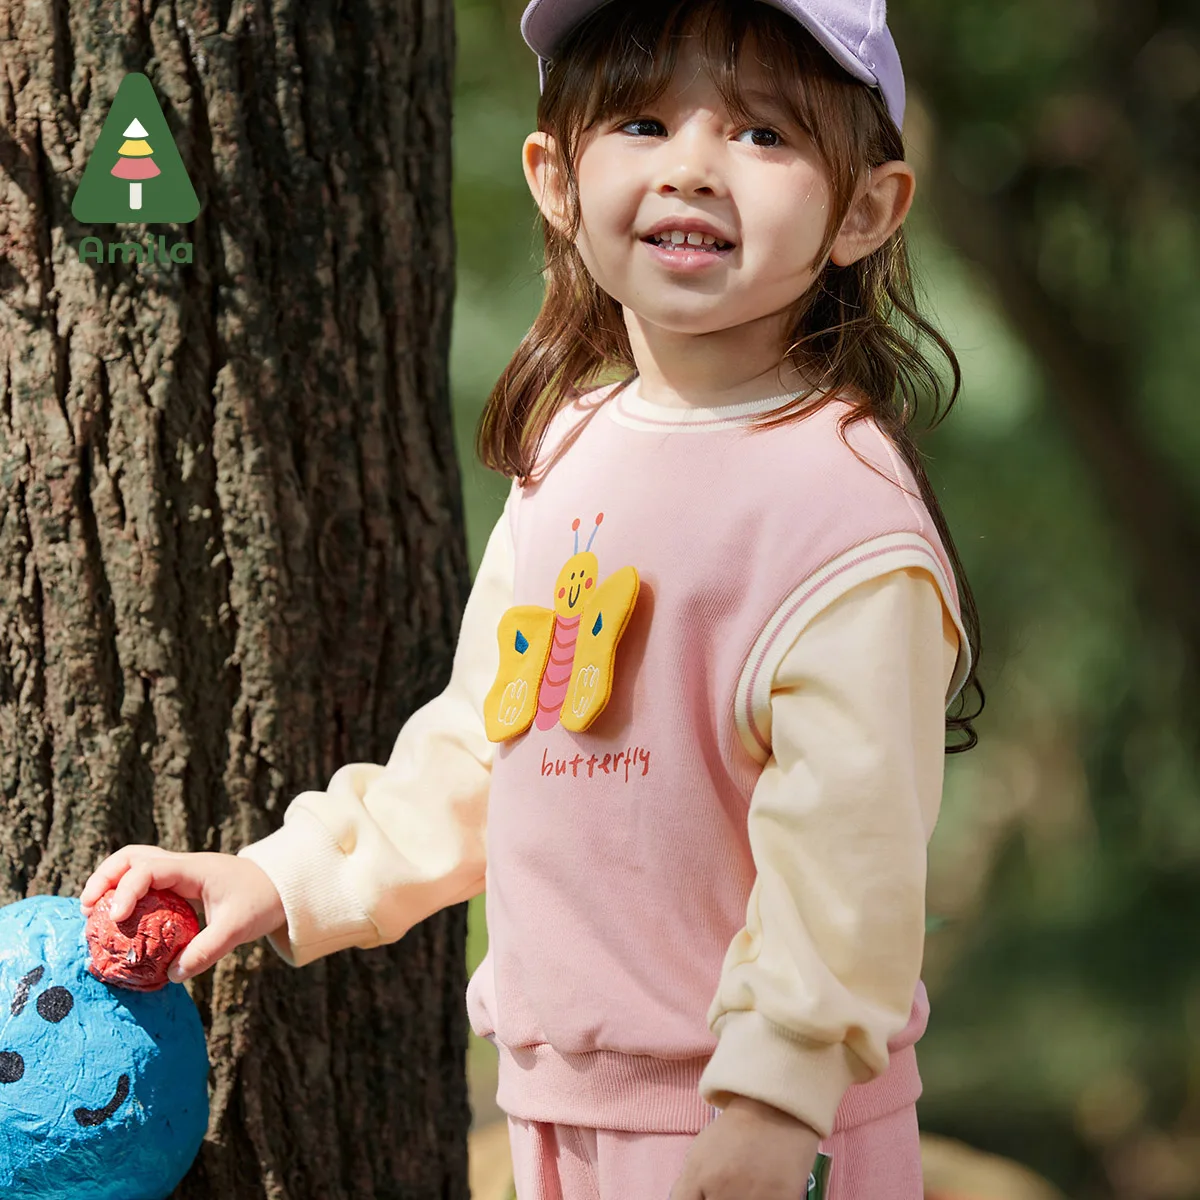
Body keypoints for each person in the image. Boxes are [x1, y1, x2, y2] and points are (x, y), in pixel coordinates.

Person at [81, 1, 986, 1196]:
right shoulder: (571, 451)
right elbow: (486, 741)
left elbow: (849, 855)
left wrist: (777, 1095)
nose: (693, 169)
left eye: (764, 134)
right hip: (557, 1109)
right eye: (644, 120)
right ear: (557, 177)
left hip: (755, 1131)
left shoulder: (842, 513)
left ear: (866, 207)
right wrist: (282, 876)